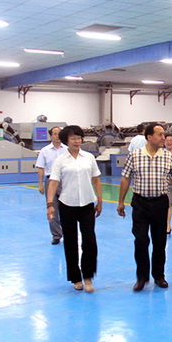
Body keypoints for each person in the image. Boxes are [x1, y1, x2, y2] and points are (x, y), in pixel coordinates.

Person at [117, 123, 172, 291]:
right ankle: (142, 277)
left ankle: (159, 276)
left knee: (160, 242)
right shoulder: (135, 155)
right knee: (141, 240)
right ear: (149, 137)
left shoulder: (168, 156)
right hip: (140, 204)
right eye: (160, 135)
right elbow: (125, 178)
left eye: (164, 135)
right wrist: (121, 201)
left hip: (160, 203)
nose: (163, 138)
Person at [47, 125, 103, 293]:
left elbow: (96, 180)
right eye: (73, 138)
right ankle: (76, 278)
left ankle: (88, 276)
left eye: (79, 138)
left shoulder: (89, 157)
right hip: (67, 205)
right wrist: (50, 204)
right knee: (70, 242)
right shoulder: (61, 160)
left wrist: (100, 201)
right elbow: (53, 182)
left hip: (87, 204)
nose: (77, 141)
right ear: (66, 140)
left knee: (89, 241)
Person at [36, 126, 67, 245]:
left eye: (59, 134)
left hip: (65, 181)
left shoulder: (67, 149)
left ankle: (68, 232)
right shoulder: (45, 151)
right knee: (52, 208)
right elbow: (41, 167)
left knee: (67, 209)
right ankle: (56, 235)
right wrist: (40, 184)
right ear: (50, 136)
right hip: (51, 181)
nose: (57, 136)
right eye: (54, 134)